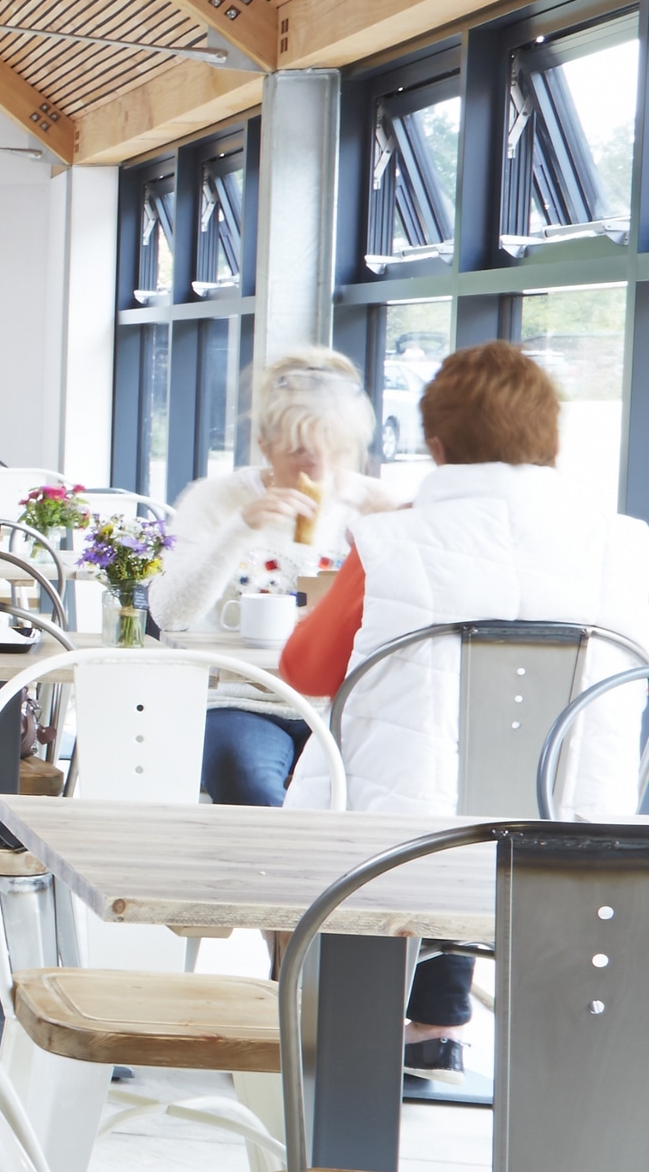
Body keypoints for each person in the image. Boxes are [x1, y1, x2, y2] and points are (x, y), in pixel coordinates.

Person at [279, 341, 649, 1072]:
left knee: (389, 797)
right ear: (551, 443)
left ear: (438, 447)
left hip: (397, 853)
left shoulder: (394, 541)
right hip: (573, 845)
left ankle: (353, 1067)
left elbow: (305, 669)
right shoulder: (627, 548)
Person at [153, 349, 389, 805]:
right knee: (247, 779)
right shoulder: (217, 500)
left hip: (343, 707)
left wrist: (399, 534)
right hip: (242, 700)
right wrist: (240, 529)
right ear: (263, 444)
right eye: (299, 450)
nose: (317, 467)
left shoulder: (375, 506)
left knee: (375, 795)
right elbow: (169, 614)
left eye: (334, 450)